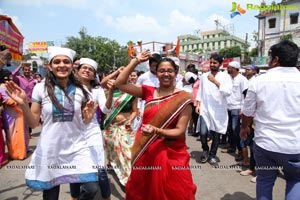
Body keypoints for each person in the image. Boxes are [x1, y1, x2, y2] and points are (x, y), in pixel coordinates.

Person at [5, 46, 99, 200]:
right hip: (51, 148)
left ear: (71, 65)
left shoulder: (81, 90)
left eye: (66, 62)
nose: (62, 65)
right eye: (57, 62)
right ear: (50, 66)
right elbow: (34, 123)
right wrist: (22, 104)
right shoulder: (40, 88)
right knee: (51, 195)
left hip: (76, 148)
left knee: (91, 188)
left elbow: (84, 122)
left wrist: (88, 117)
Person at [116, 53, 197, 199]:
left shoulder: (184, 98)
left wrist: (157, 130)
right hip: (146, 148)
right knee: (143, 188)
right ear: (156, 73)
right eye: (162, 71)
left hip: (173, 152)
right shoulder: (148, 91)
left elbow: (179, 131)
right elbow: (120, 83)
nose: (166, 74)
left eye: (169, 71)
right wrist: (135, 61)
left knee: (176, 190)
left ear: (176, 72)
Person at [240, 40, 300, 200]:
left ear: (276, 60)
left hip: (266, 144)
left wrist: (244, 128)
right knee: (295, 180)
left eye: (269, 57)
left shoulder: (258, 81)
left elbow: (247, 111)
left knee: (265, 180)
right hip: (294, 147)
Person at [69, 57, 113, 200]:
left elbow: (105, 110)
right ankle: (75, 196)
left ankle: (106, 196)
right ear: (77, 70)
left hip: (92, 131)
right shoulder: (68, 87)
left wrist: (111, 92)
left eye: (91, 70)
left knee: (99, 168)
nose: (87, 71)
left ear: (94, 75)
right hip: (73, 132)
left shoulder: (97, 89)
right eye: (84, 68)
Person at [101, 68, 138, 186]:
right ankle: (119, 170)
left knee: (128, 153)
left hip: (125, 127)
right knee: (115, 151)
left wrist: (131, 120)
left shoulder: (132, 93)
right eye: (121, 76)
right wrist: (117, 71)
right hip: (111, 127)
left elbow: (135, 111)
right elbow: (102, 83)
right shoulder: (110, 90)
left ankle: (129, 179)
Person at [195, 53, 232, 167]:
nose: (212, 64)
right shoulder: (204, 76)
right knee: (202, 133)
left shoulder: (226, 77)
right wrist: (198, 104)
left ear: (220, 64)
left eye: (214, 63)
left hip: (218, 110)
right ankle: (205, 149)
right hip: (205, 109)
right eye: (210, 62)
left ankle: (212, 155)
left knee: (216, 135)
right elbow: (200, 91)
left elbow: (228, 92)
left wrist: (215, 82)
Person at [0, 69, 29, 161]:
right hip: (11, 113)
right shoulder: (3, 87)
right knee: (13, 133)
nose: (12, 77)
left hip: (16, 112)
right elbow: (6, 100)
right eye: (10, 76)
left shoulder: (10, 85)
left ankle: (21, 151)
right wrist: (18, 102)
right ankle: (17, 153)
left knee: (19, 132)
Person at [223, 61, 248, 164]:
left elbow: (245, 95)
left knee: (236, 129)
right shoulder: (227, 78)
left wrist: (243, 109)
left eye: (229, 68)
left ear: (235, 68)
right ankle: (232, 147)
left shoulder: (242, 79)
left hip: (237, 107)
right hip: (227, 107)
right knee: (229, 129)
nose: (227, 69)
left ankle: (241, 151)